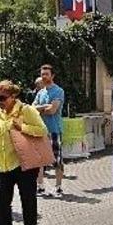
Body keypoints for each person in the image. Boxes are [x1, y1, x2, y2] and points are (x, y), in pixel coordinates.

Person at [0, 80, 47, 225]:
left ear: (13, 96)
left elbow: (42, 131)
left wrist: (22, 126)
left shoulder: (26, 110)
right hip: (3, 165)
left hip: (24, 164)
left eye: (2, 97)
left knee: (27, 200)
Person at [33, 65, 65, 198]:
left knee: (57, 159)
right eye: (42, 74)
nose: (44, 76)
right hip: (40, 131)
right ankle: (40, 187)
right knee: (39, 160)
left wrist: (42, 108)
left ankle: (58, 188)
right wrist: (44, 107)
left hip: (54, 130)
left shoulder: (58, 91)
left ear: (52, 76)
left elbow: (53, 110)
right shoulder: (40, 92)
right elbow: (32, 109)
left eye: (46, 74)